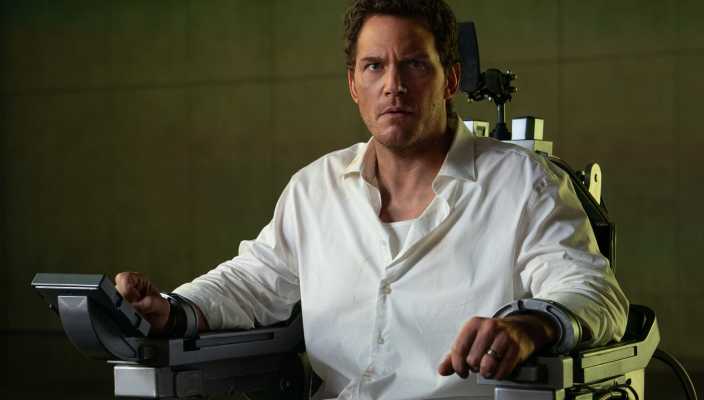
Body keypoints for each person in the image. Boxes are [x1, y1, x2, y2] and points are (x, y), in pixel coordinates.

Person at [115, 0, 628, 399]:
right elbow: (252, 283)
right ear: (353, 85)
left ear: (450, 79)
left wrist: (530, 325)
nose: (393, 86)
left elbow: (595, 292)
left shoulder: (523, 184)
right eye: (374, 67)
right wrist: (171, 310)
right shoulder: (315, 189)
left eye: (414, 65)